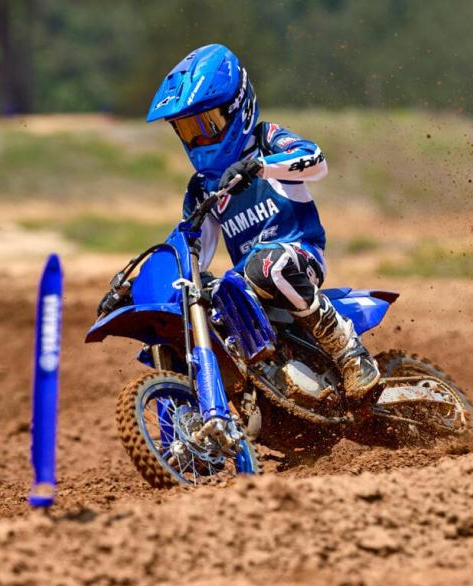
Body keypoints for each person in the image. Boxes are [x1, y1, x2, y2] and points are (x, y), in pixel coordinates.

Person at [146, 43, 379, 399]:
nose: (198, 139)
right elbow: (191, 250)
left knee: (265, 264)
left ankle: (350, 353)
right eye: (188, 130)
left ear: (236, 107)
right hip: (247, 281)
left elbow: (316, 161)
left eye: (206, 125)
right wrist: (143, 288)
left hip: (298, 253)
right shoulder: (202, 187)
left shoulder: (266, 140)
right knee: (200, 298)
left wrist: (260, 167)